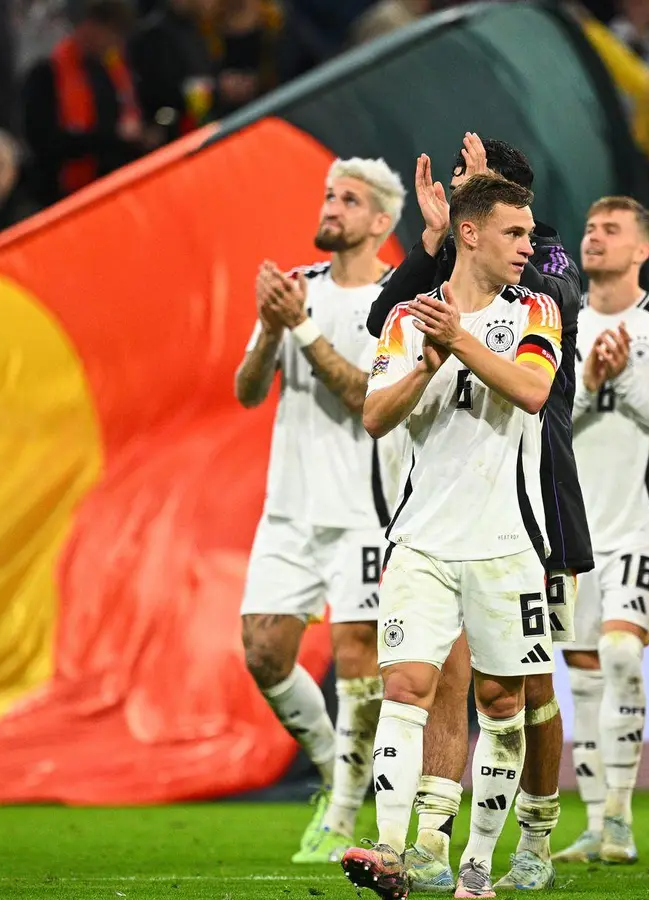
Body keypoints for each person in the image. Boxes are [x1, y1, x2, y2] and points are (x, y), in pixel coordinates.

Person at [363, 135, 589, 893]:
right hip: (422, 539)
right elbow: (374, 416)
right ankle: (394, 853)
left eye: (530, 234)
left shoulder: (539, 309)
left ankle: (476, 867)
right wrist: (427, 363)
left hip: (507, 540)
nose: (530, 246)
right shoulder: (408, 321)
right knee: (405, 688)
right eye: (515, 233)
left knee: (502, 703)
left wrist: (455, 340)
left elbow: (531, 391)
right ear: (470, 233)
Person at [232, 157, 409, 865]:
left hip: (364, 510)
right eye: (330, 195)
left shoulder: (397, 299)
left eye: (349, 199)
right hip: (290, 508)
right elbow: (248, 391)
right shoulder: (295, 289)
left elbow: (372, 400)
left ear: (380, 222)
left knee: (357, 661)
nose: (332, 207)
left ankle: (339, 815)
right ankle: (340, 767)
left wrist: (302, 329)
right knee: (262, 651)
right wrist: (272, 328)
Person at [552, 196, 649, 865]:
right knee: (581, 676)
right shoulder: (553, 324)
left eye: (611, 230)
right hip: (569, 531)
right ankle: (592, 826)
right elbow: (538, 429)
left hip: (640, 526)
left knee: (621, 656)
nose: (594, 237)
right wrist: (590, 379)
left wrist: (626, 384)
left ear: (642, 250)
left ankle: (619, 818)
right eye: (590, 228)